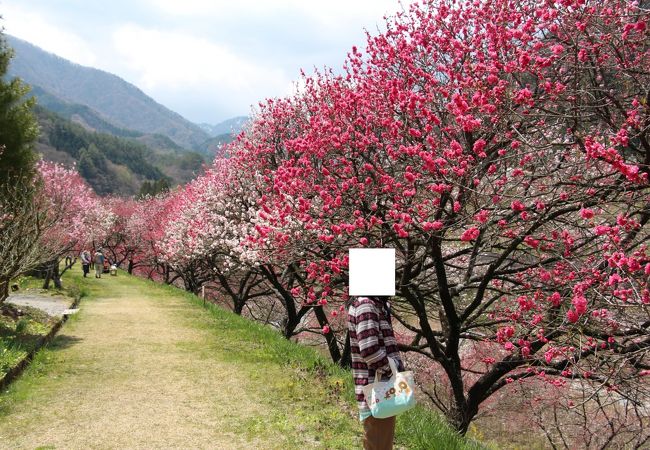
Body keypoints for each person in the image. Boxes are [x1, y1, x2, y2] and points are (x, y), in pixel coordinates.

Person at [348, 295, 404, 450]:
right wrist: (394, 368)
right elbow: (369, 350)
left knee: (379, 442)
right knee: (379, 445)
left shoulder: (374, 304)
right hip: (376, 389)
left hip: (379, 389)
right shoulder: (367, 305)